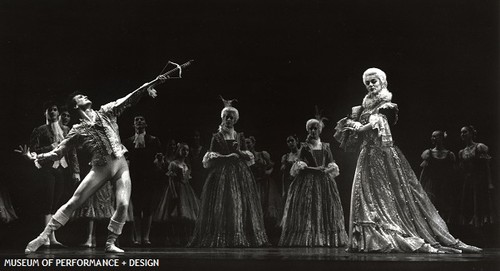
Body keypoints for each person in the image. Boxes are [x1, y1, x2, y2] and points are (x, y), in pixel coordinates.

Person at [337, 67, 481, 253]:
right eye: (367, 82)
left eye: (374, 81)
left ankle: (392, 232)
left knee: (389, 193)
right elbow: (357, 134)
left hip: (382, 154)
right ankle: (368, 237)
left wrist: (357, 126)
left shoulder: (386, 104)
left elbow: (375, 125)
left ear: (382, 82)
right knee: (364, 193)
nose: (371, 85)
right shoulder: (363, 107)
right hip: (366, 155)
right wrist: (351, 125)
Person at [16, 77, 162, 253]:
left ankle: (110, 242)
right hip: (100, 167)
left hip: (121, 164)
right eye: (80, 97)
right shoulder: (78, 129)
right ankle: (42, 237)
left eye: (84, 95)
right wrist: (35, 157)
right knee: (74, 202)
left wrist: (151, 83)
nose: (85, 96)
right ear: (75, 106)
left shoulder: (107, 111)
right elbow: (58, 152)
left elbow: (130, 97)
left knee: (123, 204)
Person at [188, 97, 270, 247]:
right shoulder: (217, 136)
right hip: (221, 173)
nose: (229, 120)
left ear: (235, 120)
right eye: (226, 117)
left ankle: (240, 236)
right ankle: (221, 236)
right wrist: (226, 156)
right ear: (222, 118)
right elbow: (211, 156)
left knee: (240, 202)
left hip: (239, 173)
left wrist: (238, 151)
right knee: (222, 203)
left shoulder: (240, 136)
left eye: (231, 117)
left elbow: (248, 156)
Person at [279, 116, 347, 247]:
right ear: (308, 130)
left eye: (315, 128)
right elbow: (299, 165)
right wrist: (315, 169)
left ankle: (325, 239)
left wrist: (326, 170)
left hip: (324, 181)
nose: (313, 131)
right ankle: (307, 237)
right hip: (308, 180)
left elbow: (331, 163)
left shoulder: (326, 146)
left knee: (324, 208)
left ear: (319, 130)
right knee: (308, 209)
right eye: (311, 128)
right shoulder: (304, 146)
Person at [29, 102, 80, 248]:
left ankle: (52, 237)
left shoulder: (65, 129)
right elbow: (33, 151)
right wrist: (49, 147)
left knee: (56, 203)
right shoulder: (40, 130)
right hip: (48, 169)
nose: (52, 112)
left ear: (58, 113)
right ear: (45, 113)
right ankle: (45, 238)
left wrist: (76, 171)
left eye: (55, 110)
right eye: (49, 110)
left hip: (62, 169)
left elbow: (72, 151)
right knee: (48, 202)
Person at [123, 114, 162, 246]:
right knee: (136, 208)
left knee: (148, 208)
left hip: (149, 178)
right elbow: (125, 160)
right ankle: (138, 237)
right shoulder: (128, 142)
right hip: (134, 177)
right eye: (136, 120)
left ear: (146, 124)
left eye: (142, 120)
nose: (139, 122)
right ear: (133, 125)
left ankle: (146, 237)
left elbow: (158, 158)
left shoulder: (153, 140)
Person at [154, 143, 200, 246]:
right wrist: (174, 192)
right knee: (174, 215)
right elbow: (170, 179)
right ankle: (173, 239)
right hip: (175, 189)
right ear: (179, 150)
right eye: (183, 150)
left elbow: (187, 179)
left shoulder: (186, 165)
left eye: (187, 150)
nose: (185, 152)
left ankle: (184, 239)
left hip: (186, 190)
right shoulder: (174, 164)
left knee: (184, 215)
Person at [458, 125, 495, 227]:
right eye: (461, 132)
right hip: (468, 180)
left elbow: (487, 166)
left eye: (465, 132)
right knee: (468, 201)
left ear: (471, 133)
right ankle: (471, 225)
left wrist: (490, 183)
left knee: (479, 200)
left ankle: (481, 224)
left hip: (479, 178)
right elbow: (462, 169)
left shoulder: (479, 147)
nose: (463, 134)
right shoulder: (462, 152)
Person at [419, 130, 457, 223]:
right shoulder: (429, 153)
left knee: (444, 205)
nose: (433, 138)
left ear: (441, 138)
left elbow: (452, 172)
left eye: (435, 136)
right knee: (431, 205)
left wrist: (452, 185)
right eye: (432, 136)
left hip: (444, 184)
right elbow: (424, 172)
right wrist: (420, 185)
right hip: (431, 184)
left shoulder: (449, 154)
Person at [280, 135, 301, 202]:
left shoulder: (301, 154)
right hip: (289, 183)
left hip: (300, 182)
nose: (290, 143)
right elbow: (284, 175)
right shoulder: (286, 157)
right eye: (288, 141)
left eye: (292, 140)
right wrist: (283, 190)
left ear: (297, 141)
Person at [188, 131, 207, 198]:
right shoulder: (188, 150)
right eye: (194, 136)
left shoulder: (204, 150)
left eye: (197, 136)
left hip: (201, 177)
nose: (195, 138)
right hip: (191, 177)